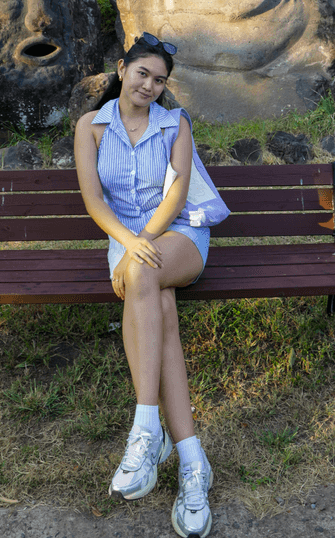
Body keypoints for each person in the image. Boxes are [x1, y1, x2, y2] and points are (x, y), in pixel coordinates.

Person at [74, 33, 214, 538]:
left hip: (176, 234)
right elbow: (95, 201)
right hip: (123, 236)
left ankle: (144, 429)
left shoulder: (176, 124)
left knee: (142, 272)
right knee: (162, 313)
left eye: (160, 80)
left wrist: (143, 243)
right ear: (122, 69)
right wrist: (128, 243)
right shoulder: (90, 127)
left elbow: (177, 192)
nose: (150, 86)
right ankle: (193, 462)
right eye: (143, 74)